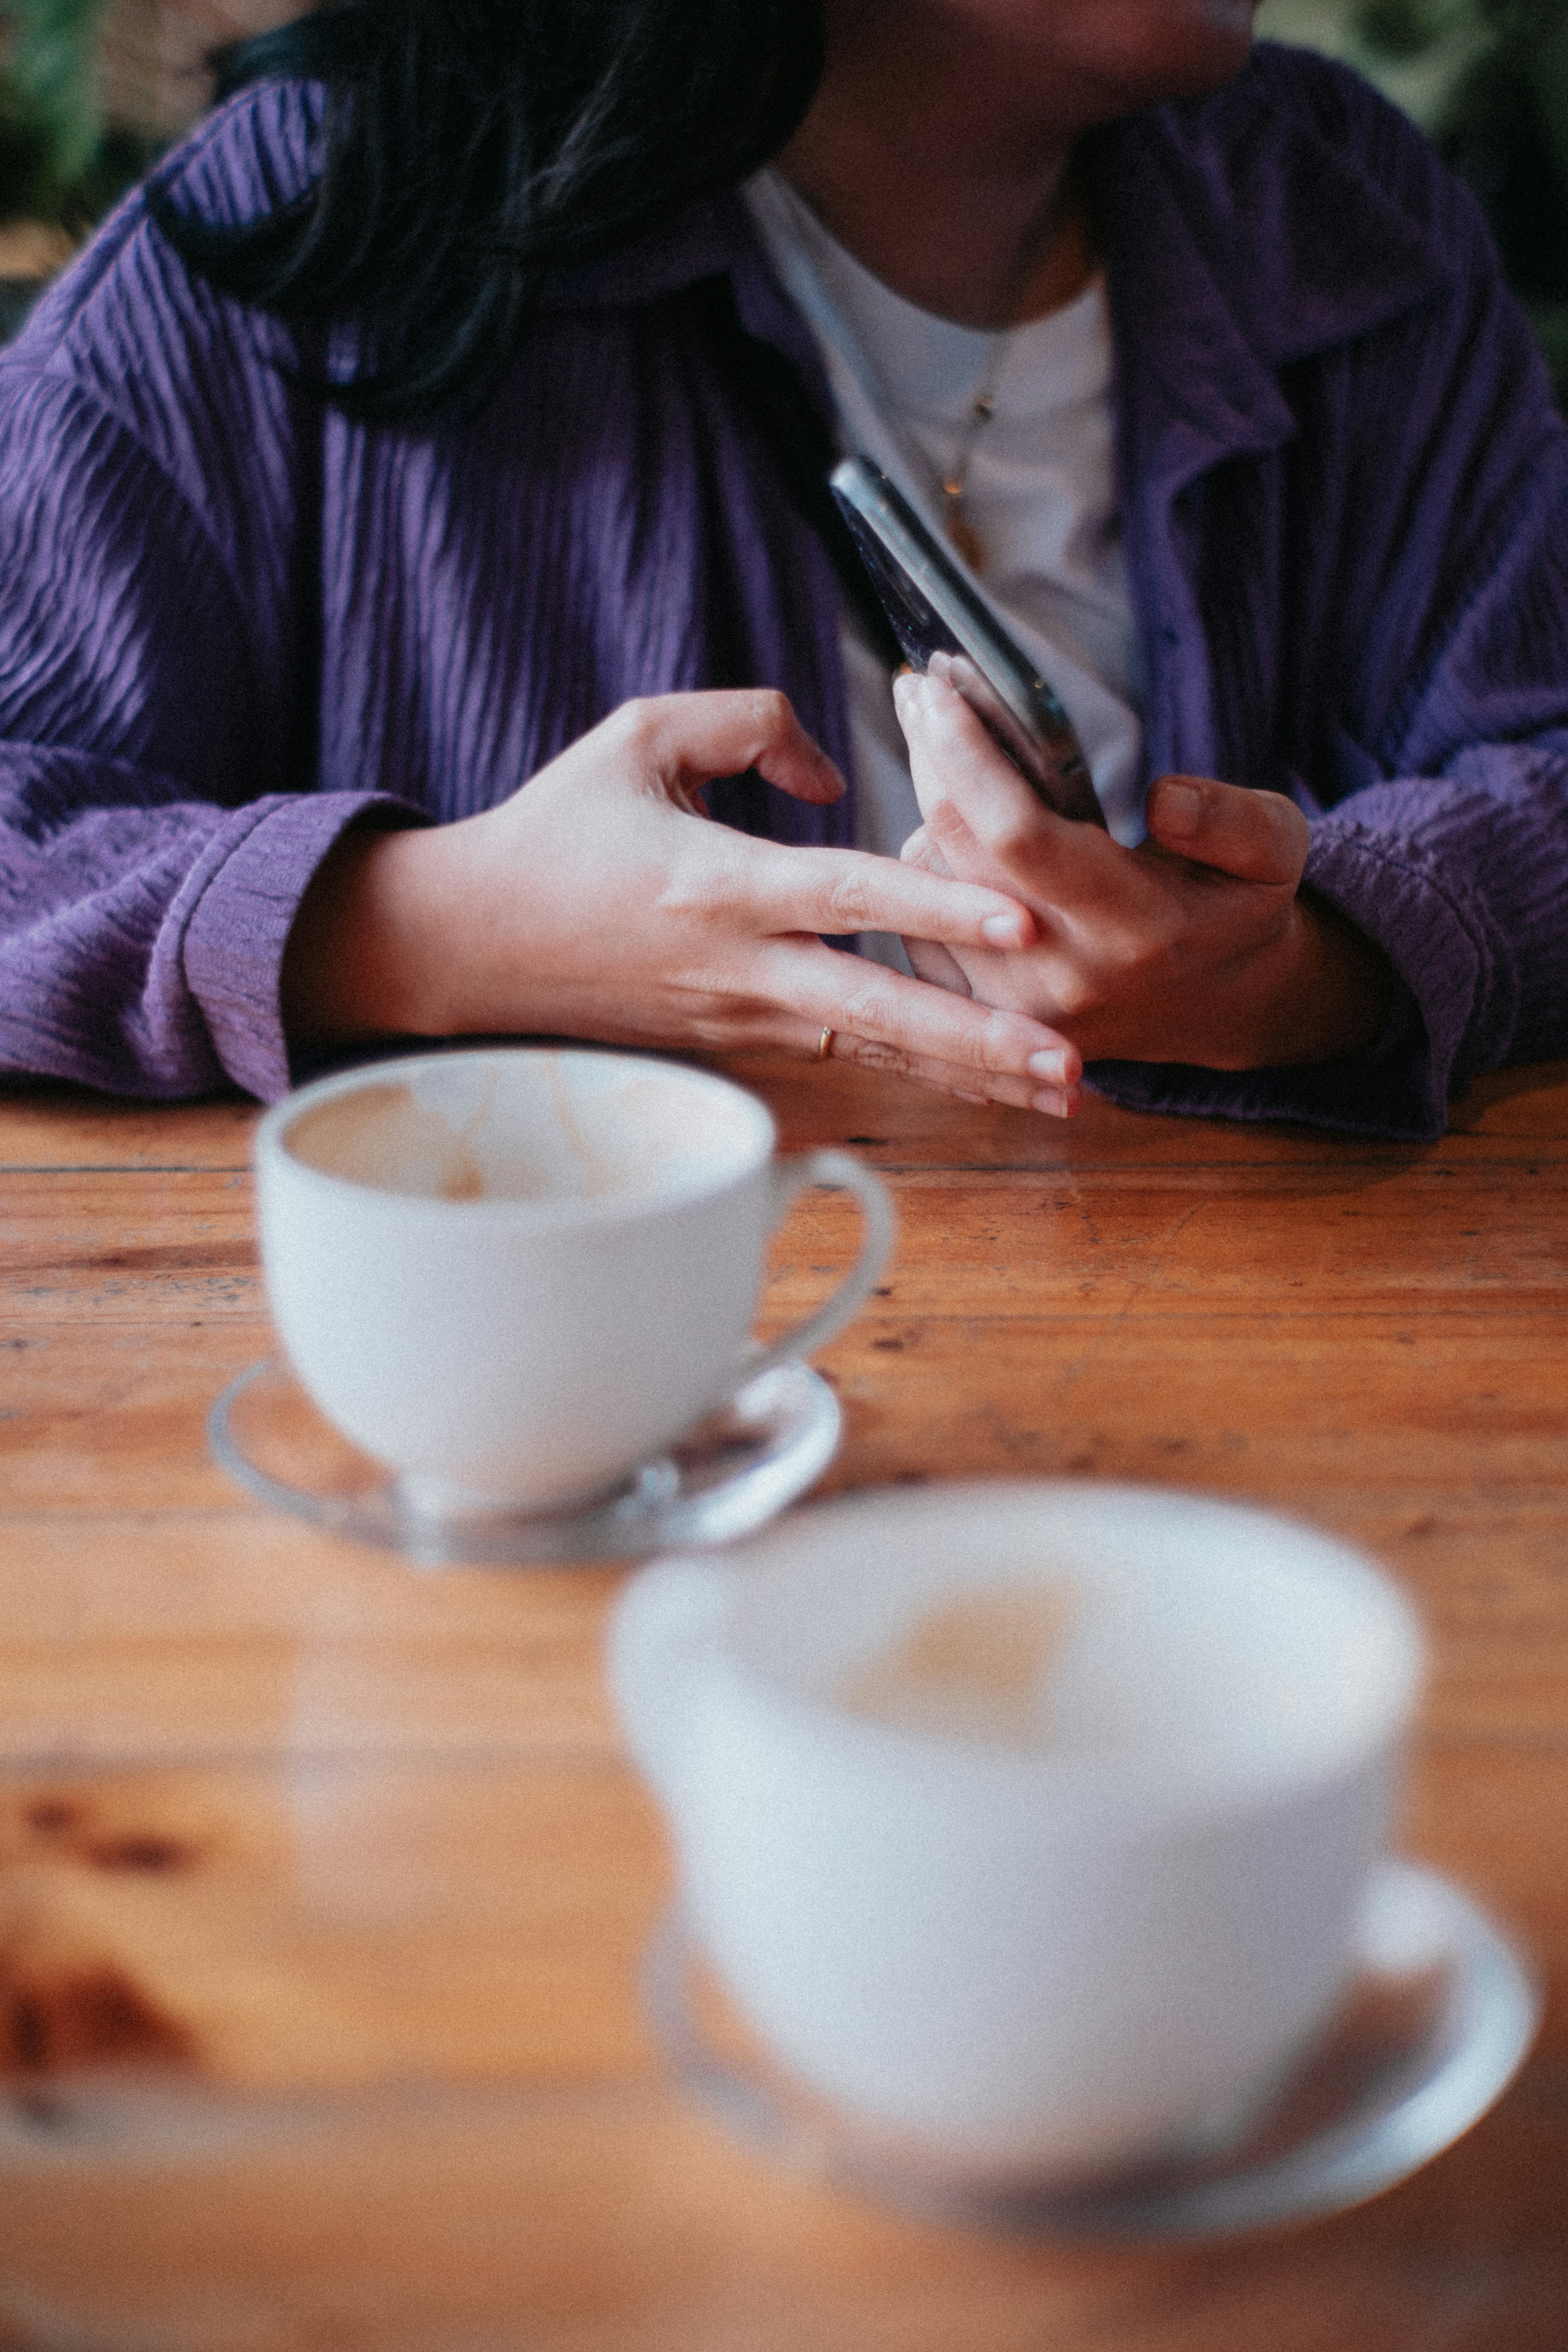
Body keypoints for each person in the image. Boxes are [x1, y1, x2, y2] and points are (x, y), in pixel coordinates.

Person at [1, 1, 1564, 1138]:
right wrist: (423, 925)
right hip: (571, 1412)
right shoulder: (333, 196)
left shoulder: (1339, 201)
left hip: (1222, 1381)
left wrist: (1307, 972)